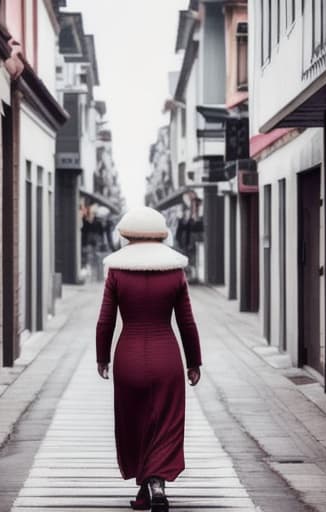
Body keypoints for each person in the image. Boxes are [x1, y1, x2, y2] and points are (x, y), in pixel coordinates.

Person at [96, 206, 202, 512]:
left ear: (126, 235)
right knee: (166, 421)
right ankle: (156, 483)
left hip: (128, 356)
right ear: (162, 235)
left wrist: (102, 357)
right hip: (167, 355)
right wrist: (194, 361)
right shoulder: (174, 272)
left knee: (135, 421)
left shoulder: (116, 271)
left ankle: (146, 487)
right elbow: (187, 323)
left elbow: (106, 321)